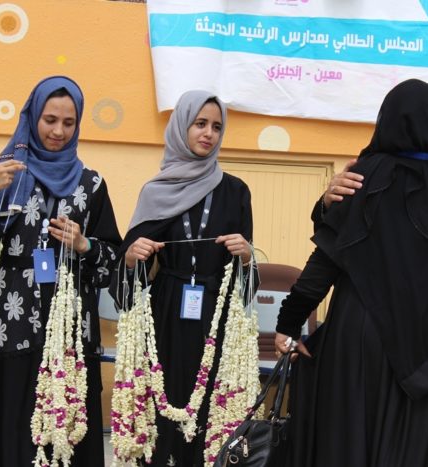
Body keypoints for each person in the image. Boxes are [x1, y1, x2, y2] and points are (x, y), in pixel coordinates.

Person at [274, 79, 428, 466]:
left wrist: (288, 323)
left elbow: (325, 261)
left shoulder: (362, 177)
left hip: (361, 334)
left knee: (350, 439)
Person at [0, 76, 121, 466]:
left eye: (68, 122)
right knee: (12, 428)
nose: (58, 131)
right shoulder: (5, 174)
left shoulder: (91, 184)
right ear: (32, 117)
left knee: (68, 432)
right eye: (50, 120)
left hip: (70, 334)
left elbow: (111, 263)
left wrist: (85, 245)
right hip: (10, 329)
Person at [109, 90, 254, 467]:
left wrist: (246, 255)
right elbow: (125, 278)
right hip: (166, 311)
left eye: (217, 127)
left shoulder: (236, 191)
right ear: (181, 127)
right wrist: (132, 257)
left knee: (206, 407)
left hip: (214, 316)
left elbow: (246, 284)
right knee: (160, 402)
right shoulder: (155, 191)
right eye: (200, 123)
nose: (208, 133)